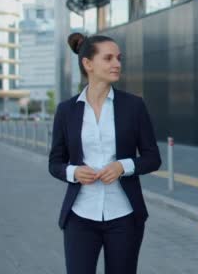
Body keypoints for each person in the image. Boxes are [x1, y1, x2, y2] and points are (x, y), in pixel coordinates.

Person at [49, 32, 161, 274]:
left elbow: (153, 158)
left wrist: (123, 166)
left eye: (118, 58)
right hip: (80, 215)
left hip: (124, 215)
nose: (117, 64)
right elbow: (55, 163)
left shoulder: (133, 106)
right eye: (108, 58)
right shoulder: (66, 110)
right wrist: (74, 171)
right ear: (88, 64)